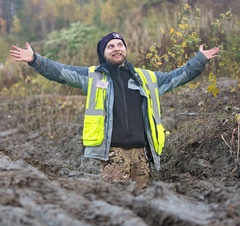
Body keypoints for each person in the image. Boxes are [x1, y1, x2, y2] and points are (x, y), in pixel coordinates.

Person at [10, 32, 220, 190]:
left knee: (144, 204)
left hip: (142, 154)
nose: (116, 48)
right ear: (103, 53)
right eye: (110, 46)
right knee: (118, 202)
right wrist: (35, 60)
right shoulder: (93, 76)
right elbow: (61, 72)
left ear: (125, 50)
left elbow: (180, 75)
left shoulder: (147, 78)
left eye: (120, 44)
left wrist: (199, 59)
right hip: (113, 154)